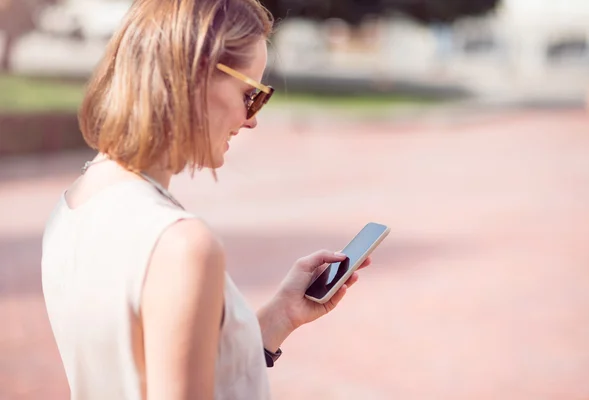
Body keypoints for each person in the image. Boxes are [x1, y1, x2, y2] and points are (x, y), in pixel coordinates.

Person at [40, 0, 372, 399]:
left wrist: (279, 316)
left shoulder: (76, 204)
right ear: (193, 77)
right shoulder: (180, 245)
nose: (252, 118)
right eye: (251, 94)